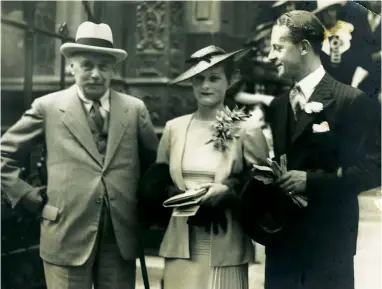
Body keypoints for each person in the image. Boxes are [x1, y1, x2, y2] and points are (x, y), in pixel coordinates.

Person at [1, 21, 158, 289]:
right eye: (87, 65)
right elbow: (4, 155)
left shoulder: (134, 110)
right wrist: (27, 196)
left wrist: (144, 207)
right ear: (71, 66)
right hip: (65, 233)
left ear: (113, 69)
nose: (95, 74)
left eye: (103, 66)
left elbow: (153, 165)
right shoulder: (48, 107)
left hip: (119, 238)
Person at [263, 10, 380, 289]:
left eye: (277, 47)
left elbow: (373, 169)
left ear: (304, 47)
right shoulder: (278, 106)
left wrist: (311, 181)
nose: (270, 56)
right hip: (281, 243)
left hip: (329, 245)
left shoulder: (352, 101)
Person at [156, 45, 269, 289]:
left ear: (231, 80)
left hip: (225, 240)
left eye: (214, 78)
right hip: (181, 241)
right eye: (199, 79)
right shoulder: (174, 128)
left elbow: (263, 182)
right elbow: (158, 181)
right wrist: (173, 195)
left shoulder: (246, 129)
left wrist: (229, 191)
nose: (205, 86)